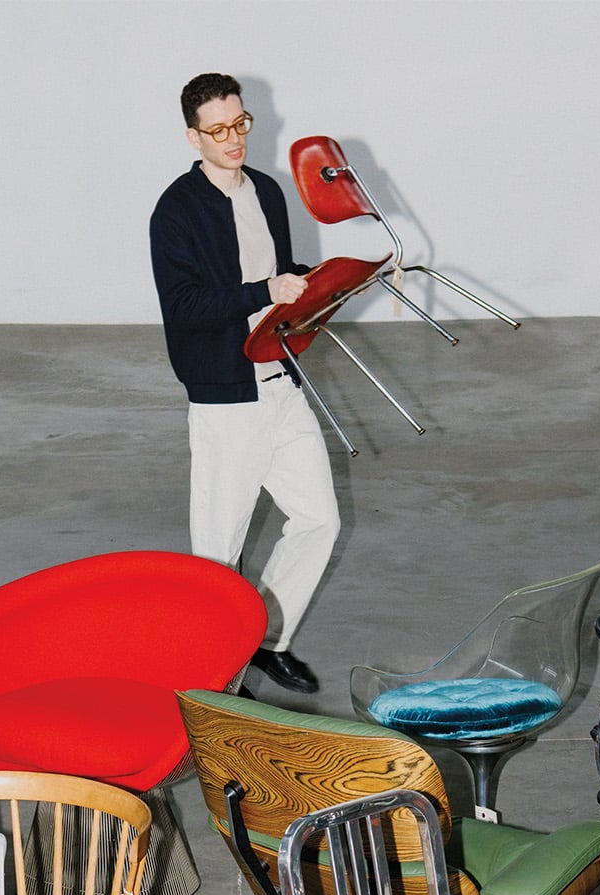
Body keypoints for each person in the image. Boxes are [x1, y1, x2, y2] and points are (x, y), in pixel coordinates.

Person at [150, 72, 340, 695]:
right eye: (219, 130)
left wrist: (317, 280)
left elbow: (276, 272)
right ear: (192, 135)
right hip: (224, 394)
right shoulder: (175, 211)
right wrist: (264, 291)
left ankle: (266, 640)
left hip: (279, 375)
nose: (234, 139)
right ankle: (211, 682)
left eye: (241, 124)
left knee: (318, 519)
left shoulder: (266, 190)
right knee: (215, 555)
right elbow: (184, 307)